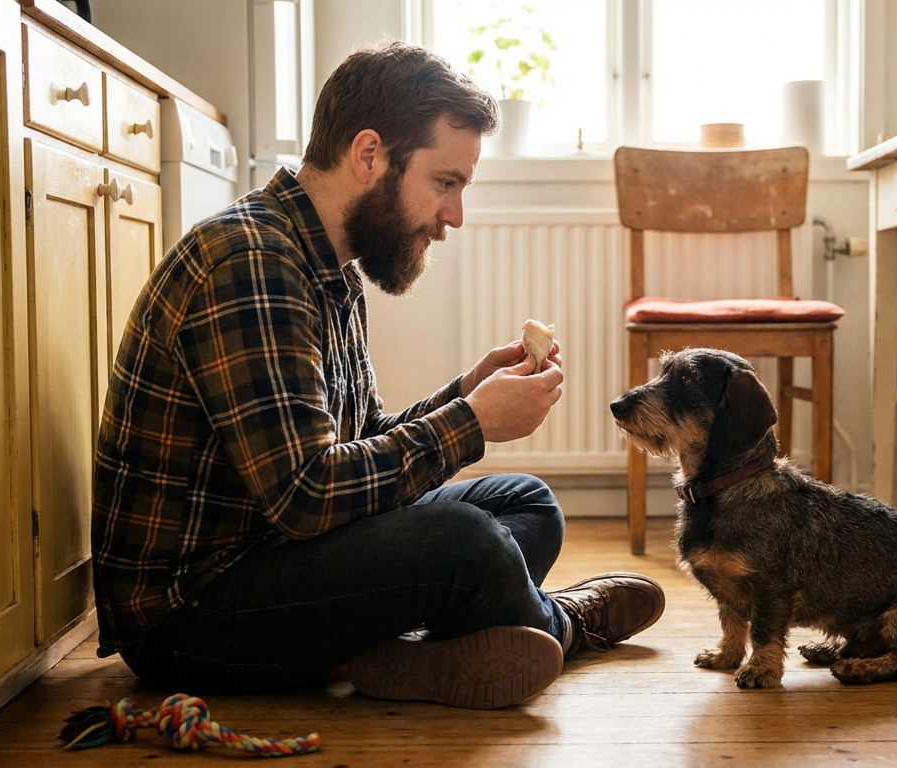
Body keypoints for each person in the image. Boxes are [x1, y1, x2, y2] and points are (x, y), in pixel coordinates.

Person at [90, 40, 665, 709]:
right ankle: (561, 625)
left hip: (280, 551)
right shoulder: (250, 263)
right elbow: (307, 495)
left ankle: (400, 653)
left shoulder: (327, 266)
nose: (454, 217)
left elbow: (361, 441)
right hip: (190, 616)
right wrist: (472, 425)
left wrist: (465, 394)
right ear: (369, 155)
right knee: (467, 543)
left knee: (526, 504)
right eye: (444, 183)